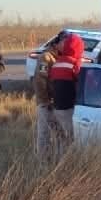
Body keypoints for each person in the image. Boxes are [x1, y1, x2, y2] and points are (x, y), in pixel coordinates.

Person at [49, 33, 84, 157]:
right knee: (70, 139)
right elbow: (80, 83)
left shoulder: (57, 63)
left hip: (57, 106)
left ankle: (57, 161)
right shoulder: (75, 64)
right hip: (69, 107)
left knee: (60, 138)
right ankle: (67, 165)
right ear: (78, 47)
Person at [33, 31, 65, 161]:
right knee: (44, 133)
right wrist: (45, 101)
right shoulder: (46, 57)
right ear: (56, 43)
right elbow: (40, 81)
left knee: (60, 134)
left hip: (58, 103)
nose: (66, 45)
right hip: (46, 102)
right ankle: (43, 161)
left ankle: (58, 159)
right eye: (64, 42)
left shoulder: (62, 56)